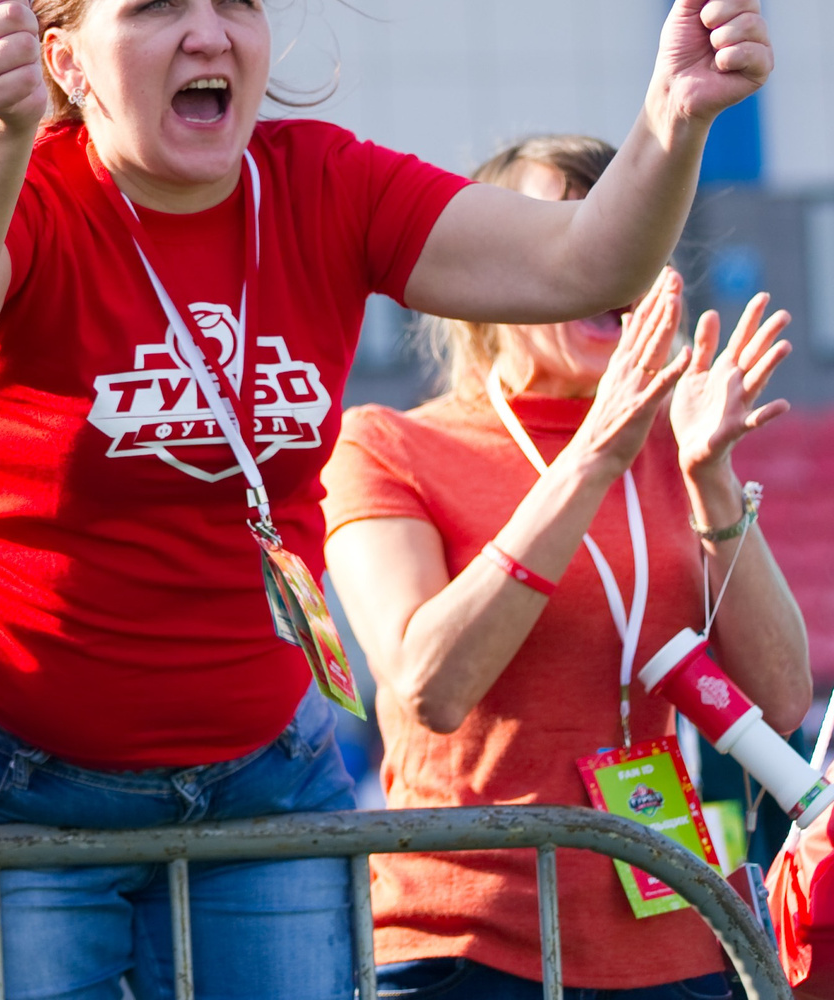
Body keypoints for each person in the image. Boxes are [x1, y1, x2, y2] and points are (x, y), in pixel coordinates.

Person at [0, 0, 773, 999]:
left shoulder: (320, 182)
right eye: (157, 4)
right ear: (67, 62)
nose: (210, 31)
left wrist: (672, 114)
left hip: (258, 776)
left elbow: (583, 258)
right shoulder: (29, 186)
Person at [323, 134, 807, 1000]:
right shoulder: (389, 443)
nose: (607, 257)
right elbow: (431, 683)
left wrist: (713, 483)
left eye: (627, 229)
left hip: (681, 932)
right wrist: (592, 457)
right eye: (572, 227)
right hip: (463, 943)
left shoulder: (677, 444)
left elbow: (782, 697)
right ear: (491, 275)